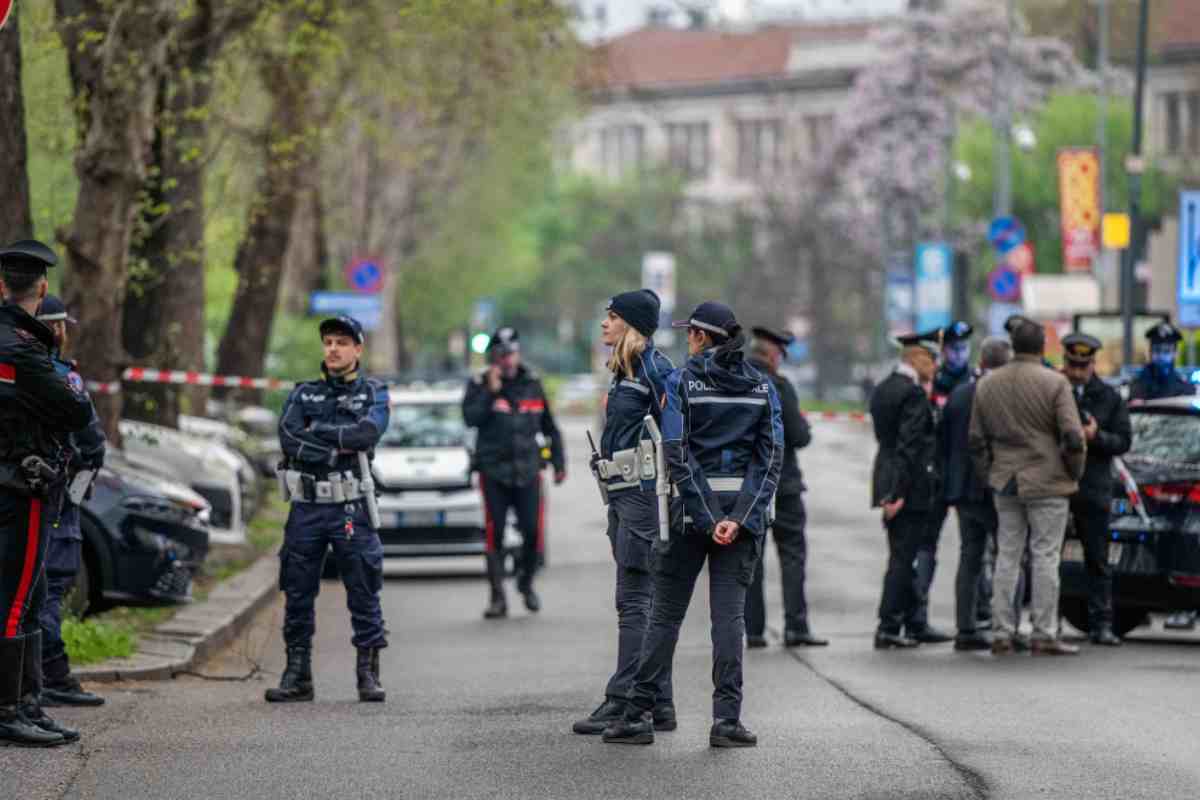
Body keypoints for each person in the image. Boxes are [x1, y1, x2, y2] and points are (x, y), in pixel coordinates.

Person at [602, 302, 781, 748]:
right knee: (729, 620)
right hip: (741, 524)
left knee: (664, 616)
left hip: (688, 517)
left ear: (701, 337)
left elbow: (676, 453)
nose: (686, 342)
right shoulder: (762, 386)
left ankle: (638, 713)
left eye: (689, 335)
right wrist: (738, 518)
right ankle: (726, 721)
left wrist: (707, 516)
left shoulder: (682, 383)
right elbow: (770, 459)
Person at [267, 315, 391, 704]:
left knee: (363, 587)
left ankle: (367, 674)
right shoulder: (303, 394)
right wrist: (337, 444)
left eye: (341, 342)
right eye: (328, 342)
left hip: (351, 505)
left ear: (358, 349)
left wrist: (317, 432)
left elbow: (367, 433)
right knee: (297, 589)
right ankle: (297, 674)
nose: (333, 349)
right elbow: (288, 436)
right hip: (307, 507)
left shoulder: (373, 392)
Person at [0, 239, 94, 746]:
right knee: (19, 599)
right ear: (42, 286)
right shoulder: (26, 348)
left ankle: (29, 703)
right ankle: (10, 709)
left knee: (26, 596)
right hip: (22, 484)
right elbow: (77, 410)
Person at [572, 290, 677, 736]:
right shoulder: (626, 369)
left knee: (635, 600)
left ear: (632, 325)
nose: (604, 324)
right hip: (621, 492)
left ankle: (625, 700)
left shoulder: (655, 370)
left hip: (642, 496)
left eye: (612, 317)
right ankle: (660, 703)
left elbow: (674, 435)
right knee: (643, 600)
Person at [968, 319, 1086, 656]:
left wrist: (989, 473)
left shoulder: (989, 385)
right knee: (1046, 556)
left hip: (1005, 479)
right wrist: (1073, 473)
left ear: (1013, 345)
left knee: (1007, 556)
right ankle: (1043, 632)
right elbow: (1074, 436)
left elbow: (975, 439)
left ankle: (1002, 631)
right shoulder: (1055, 383)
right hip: (1049, 480)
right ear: (1041, 346)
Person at [463, 327, 565, 619]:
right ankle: (497, 597)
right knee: (494, 534)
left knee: (533, 533)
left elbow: (550, 427)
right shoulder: (478, 384)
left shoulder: (532, 383)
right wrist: (489, 391)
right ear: (492, 358)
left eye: (511, 354)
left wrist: (559, 463)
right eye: (501, 355)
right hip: (494, 471)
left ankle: (525, 582)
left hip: (528, 470)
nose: (507, 360)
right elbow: (470, 419)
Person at [35, 296, 107, 707]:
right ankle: (54, 677)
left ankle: (32, 681)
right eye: (61, 325)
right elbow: (92, 442)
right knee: (52, 585)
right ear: (56, 328)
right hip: (59, 497)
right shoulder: (63, 377)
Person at [743, 326, 826, 648]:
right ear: (773, 354)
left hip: (749, 485)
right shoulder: (779, 385)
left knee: (752, 557)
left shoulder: (737, 382)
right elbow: (800, 435)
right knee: (792, 555)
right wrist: (802, 423)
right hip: (784, 484)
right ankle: (796, 627)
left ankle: (753, 630)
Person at [870, 331, 940, 650]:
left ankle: (914, 621)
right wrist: (897, 493)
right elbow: (908, 447)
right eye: (933, 359)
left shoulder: (883, 388)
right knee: (902, 557)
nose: (936, 367)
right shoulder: (912, 394)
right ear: (918, 358)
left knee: (903, 553)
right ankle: (888, 625)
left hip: (886, 476)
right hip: (906, 486)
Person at [905, 320, 974, 644]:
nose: (959, 354)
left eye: (963, 348)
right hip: (935, 476)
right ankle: (917, 616)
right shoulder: (934, 382)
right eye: (953, 349)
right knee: (925, 547)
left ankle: (977, 616)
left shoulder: (977, 382)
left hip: (966, 476)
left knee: (975, 549)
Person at [1061, 333, 1131, 646]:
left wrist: (1096, 436)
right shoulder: (1055, 389)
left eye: (1083, 365)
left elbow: (1124, 441)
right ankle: (1049, 621)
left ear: (1092, 364)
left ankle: (1101, 623)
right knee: (1048, 556)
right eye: (1073, 365)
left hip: (1092, 486)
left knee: (1097, 560)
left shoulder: (1109, 397)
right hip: (1058, 484)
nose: (1077, 372)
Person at [942, 337, 1011, 651]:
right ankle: (1003, 625)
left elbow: (943, 439)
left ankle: (965, 627)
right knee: (1007, 556)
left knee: (970, 556)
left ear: (981, 363)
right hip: (993, 489)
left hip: (962, 490)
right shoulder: (1002, 397)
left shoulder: (958, 395)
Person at [1129, 321, 1194, 402]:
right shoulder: (1139, 385)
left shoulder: (1185, 386)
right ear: (1150, 352)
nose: (1161, 356)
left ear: (1175, 353)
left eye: (1167, 351)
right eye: (1157, 350)